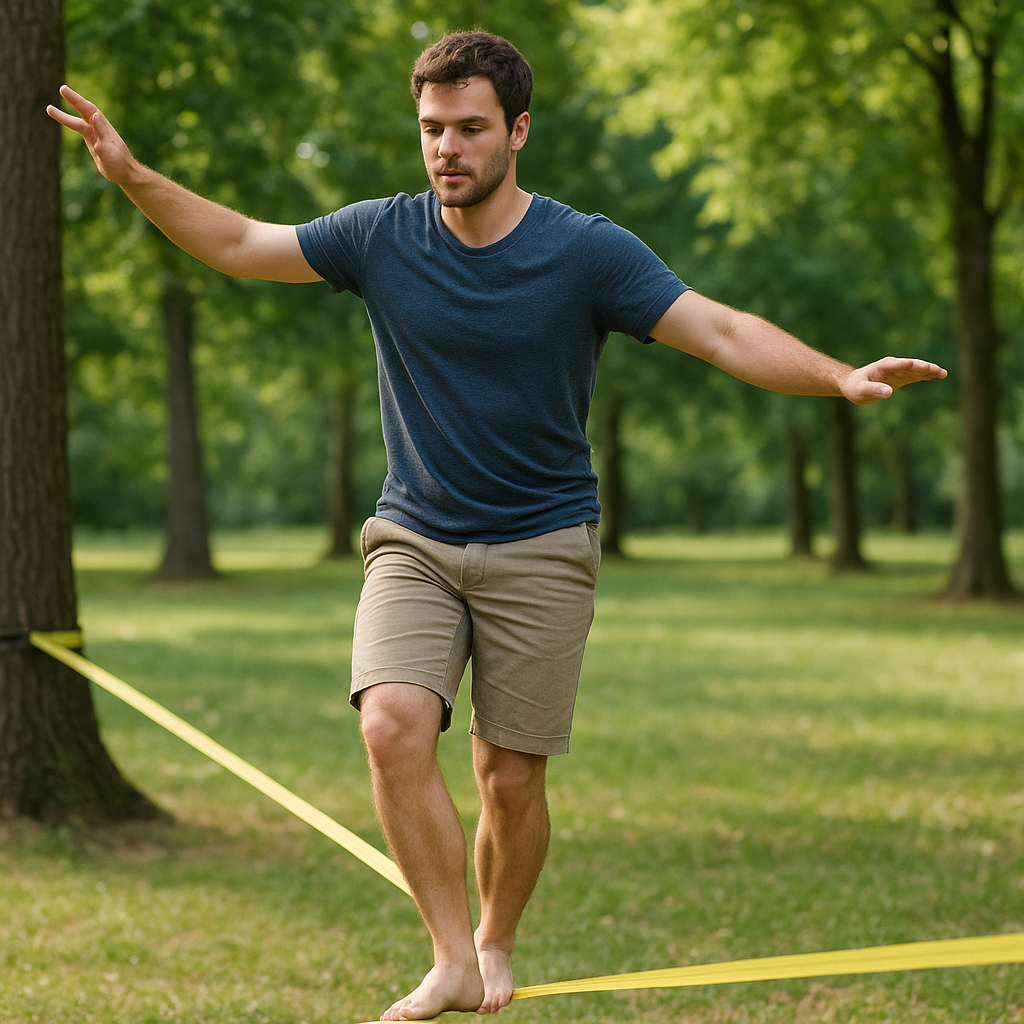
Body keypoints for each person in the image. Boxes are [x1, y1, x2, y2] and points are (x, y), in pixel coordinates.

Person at [48, 30, 946, 1021]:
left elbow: (720, 329)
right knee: (391, 723)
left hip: (544, 541)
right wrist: (130, 174)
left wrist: (836, 376)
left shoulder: (585, 250)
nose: (447, 148)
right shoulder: (380, 236)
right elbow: (238, 243)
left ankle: (495, 937)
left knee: (509, 778)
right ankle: (450, 958)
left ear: (517, 131)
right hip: (415, 536)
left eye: (470, 128)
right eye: (431, 128)